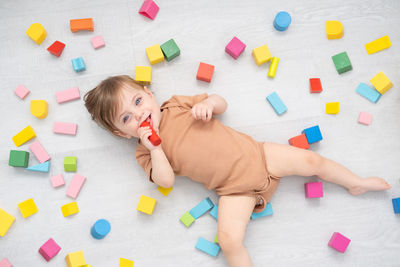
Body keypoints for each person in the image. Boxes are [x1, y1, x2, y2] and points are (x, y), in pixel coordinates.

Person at [84, 75, 391, 267]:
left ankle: (356, 182)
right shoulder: (144, 152)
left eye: (138, 101)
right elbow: (165, 182)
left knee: (312, 162)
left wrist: (209, 106)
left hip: (261, 155)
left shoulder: (175, 105)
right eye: (127, 118)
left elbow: (220, 101)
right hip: (233, 191)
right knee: (229, 240)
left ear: (149, 93)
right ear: (123, 134)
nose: (139, 114)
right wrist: (155, 147)